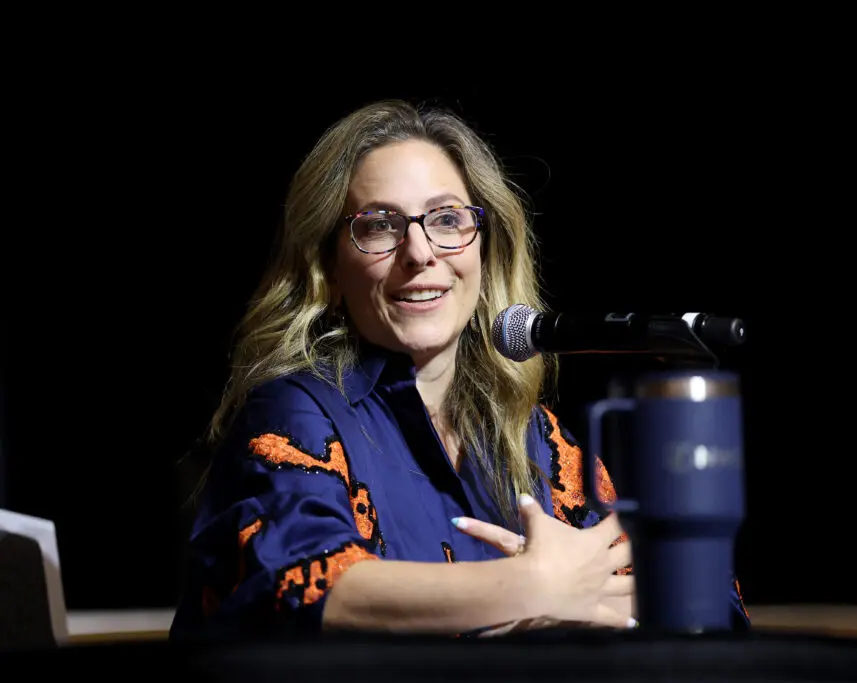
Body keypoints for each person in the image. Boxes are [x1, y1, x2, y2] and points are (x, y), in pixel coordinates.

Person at [170, 99, 750, 639]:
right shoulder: (293, 411)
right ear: (329, 267)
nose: (420, 252)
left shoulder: (534, 438)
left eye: (447, 219)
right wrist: (530, 587)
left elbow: (705, 598)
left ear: (484, 251)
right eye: (379, 224)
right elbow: (301, 585)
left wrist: (583, 601)